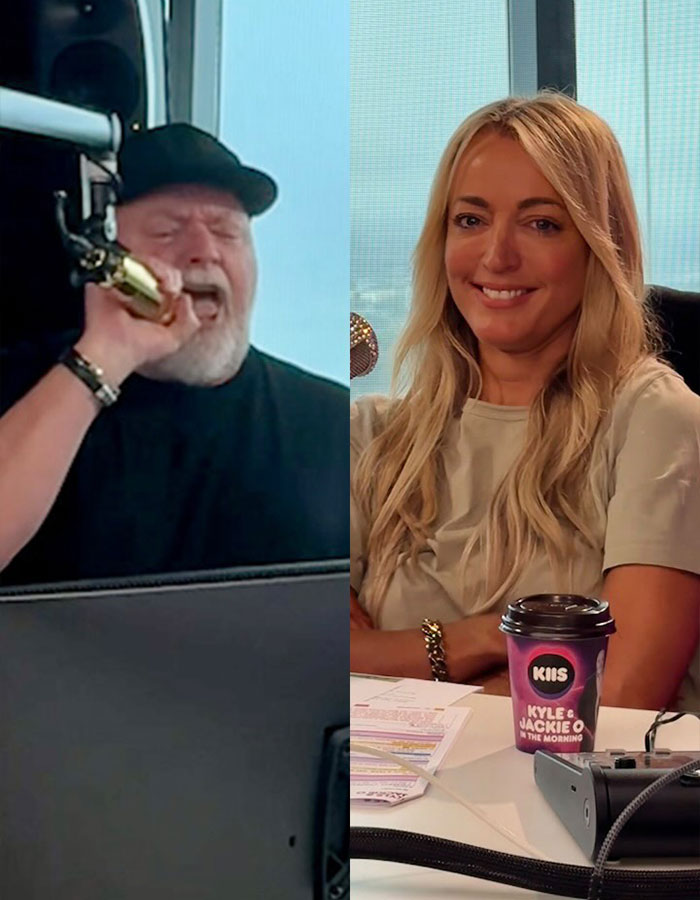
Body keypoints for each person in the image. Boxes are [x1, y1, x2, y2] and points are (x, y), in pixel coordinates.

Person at [350, 92, 700, 711]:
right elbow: (314, 664)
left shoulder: (654, 418)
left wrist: (395, 675)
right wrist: (477, 639)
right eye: (471, 220)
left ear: (599, 245)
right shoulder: (369, 436)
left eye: (542, 223)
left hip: (572, 805)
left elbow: (616, 695)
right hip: (381, 803)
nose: (496, 256)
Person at [0, 123, 348, 585]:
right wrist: (102, 358)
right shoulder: (26, 389)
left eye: (228, 233)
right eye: (167, 232)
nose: (204, 252)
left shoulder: (334, 424)